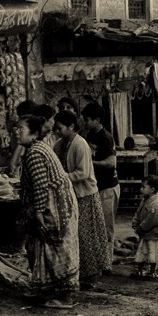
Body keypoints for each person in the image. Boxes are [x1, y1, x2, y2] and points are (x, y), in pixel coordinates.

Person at [16, 114, 79, 308]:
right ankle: (45, 290)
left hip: (54, 205)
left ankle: (65, 297)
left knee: (55, 247)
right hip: (57, 202)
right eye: (16, 128)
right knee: (40, 245)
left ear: (34, 133)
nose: (16, 132)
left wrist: (38, 213)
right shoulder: (36, 148)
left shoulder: (35, 153)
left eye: (21, 129)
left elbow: (41, 186)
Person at [54, 109, 110, 288]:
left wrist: (62, 178)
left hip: (84, 195)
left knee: (87, 236)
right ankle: (75, 272)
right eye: (56, 128)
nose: (57, 131)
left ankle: (91, 275)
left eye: (60, 128)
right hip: (68, 195)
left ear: (71, 127)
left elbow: (84, 173)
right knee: (73, 236)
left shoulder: (80, 144)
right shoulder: (58, 144)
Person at [81, 103, 119, 272]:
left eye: (87, 120)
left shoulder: (106, 137)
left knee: (106, 226)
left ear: (97, 120)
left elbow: (112, 162)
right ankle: (100, 260)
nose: (85, 122)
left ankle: (107, 262)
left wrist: (91, 164)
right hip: (97, 187)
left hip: (108, 188)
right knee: (96, 226)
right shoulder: (89, 135)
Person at [131, 175, 158, 280]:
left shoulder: (156, 204)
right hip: (145, 233)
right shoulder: (144, 200)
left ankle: (152, 271)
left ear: (152, 189)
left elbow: (150, 221)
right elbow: (138, 213)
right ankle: (140, 270)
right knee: (143, 251)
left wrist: (140, 228)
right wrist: (135, 222)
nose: (141, 189)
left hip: (153, 234)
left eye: (143, 187)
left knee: (152, 253)